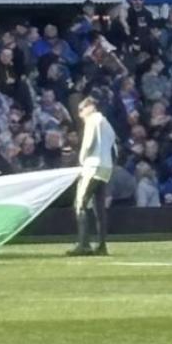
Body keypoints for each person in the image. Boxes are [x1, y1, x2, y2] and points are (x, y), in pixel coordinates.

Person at [68, 97, 116, 256]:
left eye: (81, 110)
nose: (80, 115)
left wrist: (82, 160)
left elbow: (88, 143)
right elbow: (114, 146)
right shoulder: (107, 123)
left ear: (89, 107)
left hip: (92, 165)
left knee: (80, 203)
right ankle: (102, 245)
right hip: (106, 167)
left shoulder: (92, 120)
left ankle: (84, 244)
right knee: (99, 207)